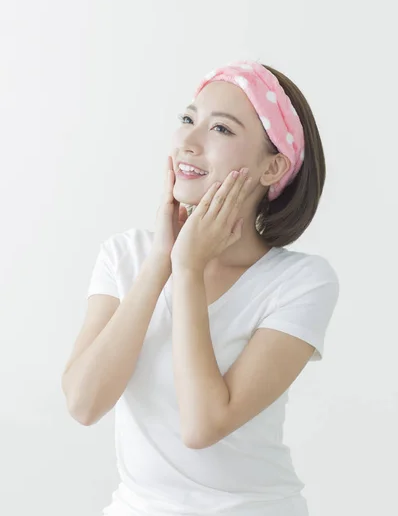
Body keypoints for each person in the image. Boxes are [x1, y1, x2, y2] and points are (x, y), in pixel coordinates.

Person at [62, 60, 340, 516]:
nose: (188, 144)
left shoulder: (300, 282)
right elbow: (84, 403)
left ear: (273, 167)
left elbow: (203, 425)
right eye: (188, 120)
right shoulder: (125, 256)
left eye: (222, 130)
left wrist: (187, 270)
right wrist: (160, 263)